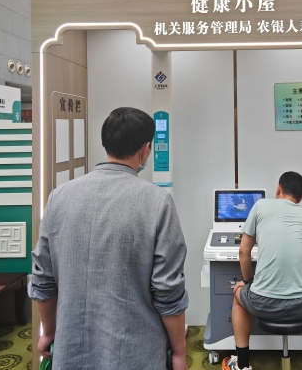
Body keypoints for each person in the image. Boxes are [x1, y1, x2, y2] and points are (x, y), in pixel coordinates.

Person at [28, 107, 188, 370]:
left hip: (71, 351)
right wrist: (179, 352)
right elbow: (168, 292)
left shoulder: (59, 197)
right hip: (135, 354)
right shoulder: (158, 202)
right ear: (145, 149)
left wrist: (48, 331)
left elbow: (43, 280)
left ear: (107, 143)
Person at [223, 171, 302, 370]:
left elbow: (243, 251)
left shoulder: (260, 206)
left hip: (262, 303)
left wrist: (248, 282)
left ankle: (241, 363)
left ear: (278, 188)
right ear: (301, 198)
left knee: (238, 295)